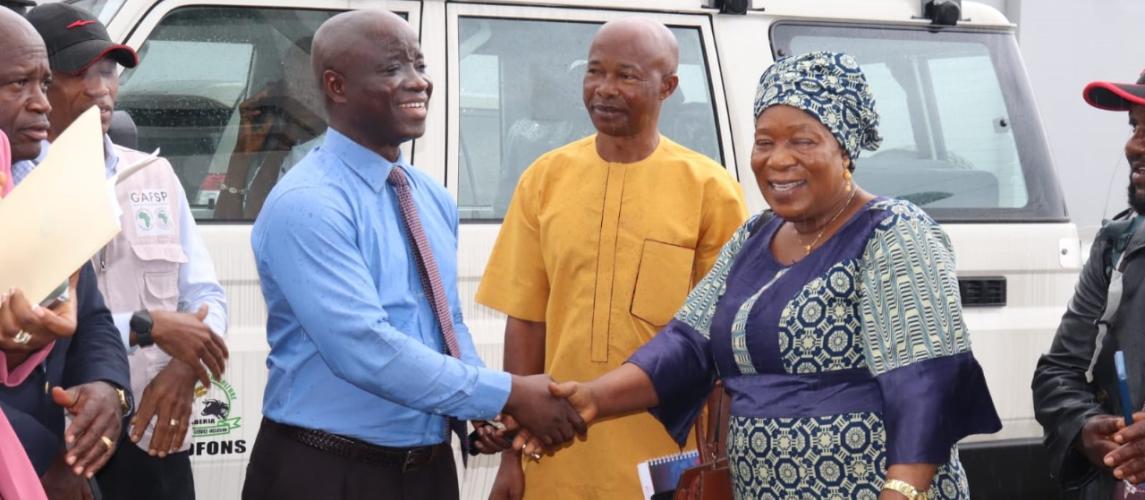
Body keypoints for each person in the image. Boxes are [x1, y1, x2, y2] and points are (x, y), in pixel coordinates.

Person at [519, 51, 1003, 499]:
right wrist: (592, 398)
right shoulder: (754, 235)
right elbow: (687, 344)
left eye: (803, 141)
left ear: (845, 149)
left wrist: (901, 491)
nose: (778, 159)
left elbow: (925, 383)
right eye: (764, 142)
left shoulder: (893, 232)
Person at [242, 10, 584, 500]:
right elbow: (365, 349)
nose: (418, 82)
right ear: (336, 86)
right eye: (392, 69)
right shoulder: (308, 203)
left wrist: (480, 410)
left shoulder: (429, 197)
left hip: (428, 472)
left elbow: (446, 322)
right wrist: (506, 393)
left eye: (419, 65)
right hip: (328, 471)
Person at [475, 18, 746, 500]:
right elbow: (527, 321)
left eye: (626, 75)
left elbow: (722, 347)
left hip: (665, 461)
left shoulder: (710, 189)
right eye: (594, 71)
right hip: (554, 455)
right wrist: (510, 460)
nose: (604, 89)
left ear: (668, 87)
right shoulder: (545, 179)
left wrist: (716, 460)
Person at [26, 4, 232, 499]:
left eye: (108, 71)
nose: (101, 89)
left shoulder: (154, 175)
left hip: (152, 434)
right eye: (80, 73)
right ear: (40, 83)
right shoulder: (22, 186)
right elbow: (33, 320)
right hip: (62, 445)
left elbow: (206, 297)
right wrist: (148, 326)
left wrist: (185, 369)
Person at [0, 7, 133, 499]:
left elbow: (92, 318)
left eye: (44, 83)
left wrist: (107, 391)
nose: (42, 104)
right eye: (19, 84)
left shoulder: (50, 184)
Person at [1033, 70, 1145, 499]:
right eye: (1135, 126)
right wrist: (1085, 428)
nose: (1134, 146)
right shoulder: (1117, 245)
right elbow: (1058, 373)